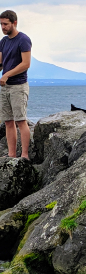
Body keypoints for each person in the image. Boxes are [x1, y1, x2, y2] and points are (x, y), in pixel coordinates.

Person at [0, 9, 32, 160]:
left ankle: (24, 155)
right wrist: (2, 71)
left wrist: (6, 74)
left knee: (20, 120)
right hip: (5, 87)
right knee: (8, 121)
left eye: (5, 24)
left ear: (14, 23)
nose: (3, 27)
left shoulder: (23, 39)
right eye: (1, 24)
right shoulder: (3, 41)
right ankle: (12, 154)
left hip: (19, 86)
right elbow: (1, 62)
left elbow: (26, 64)